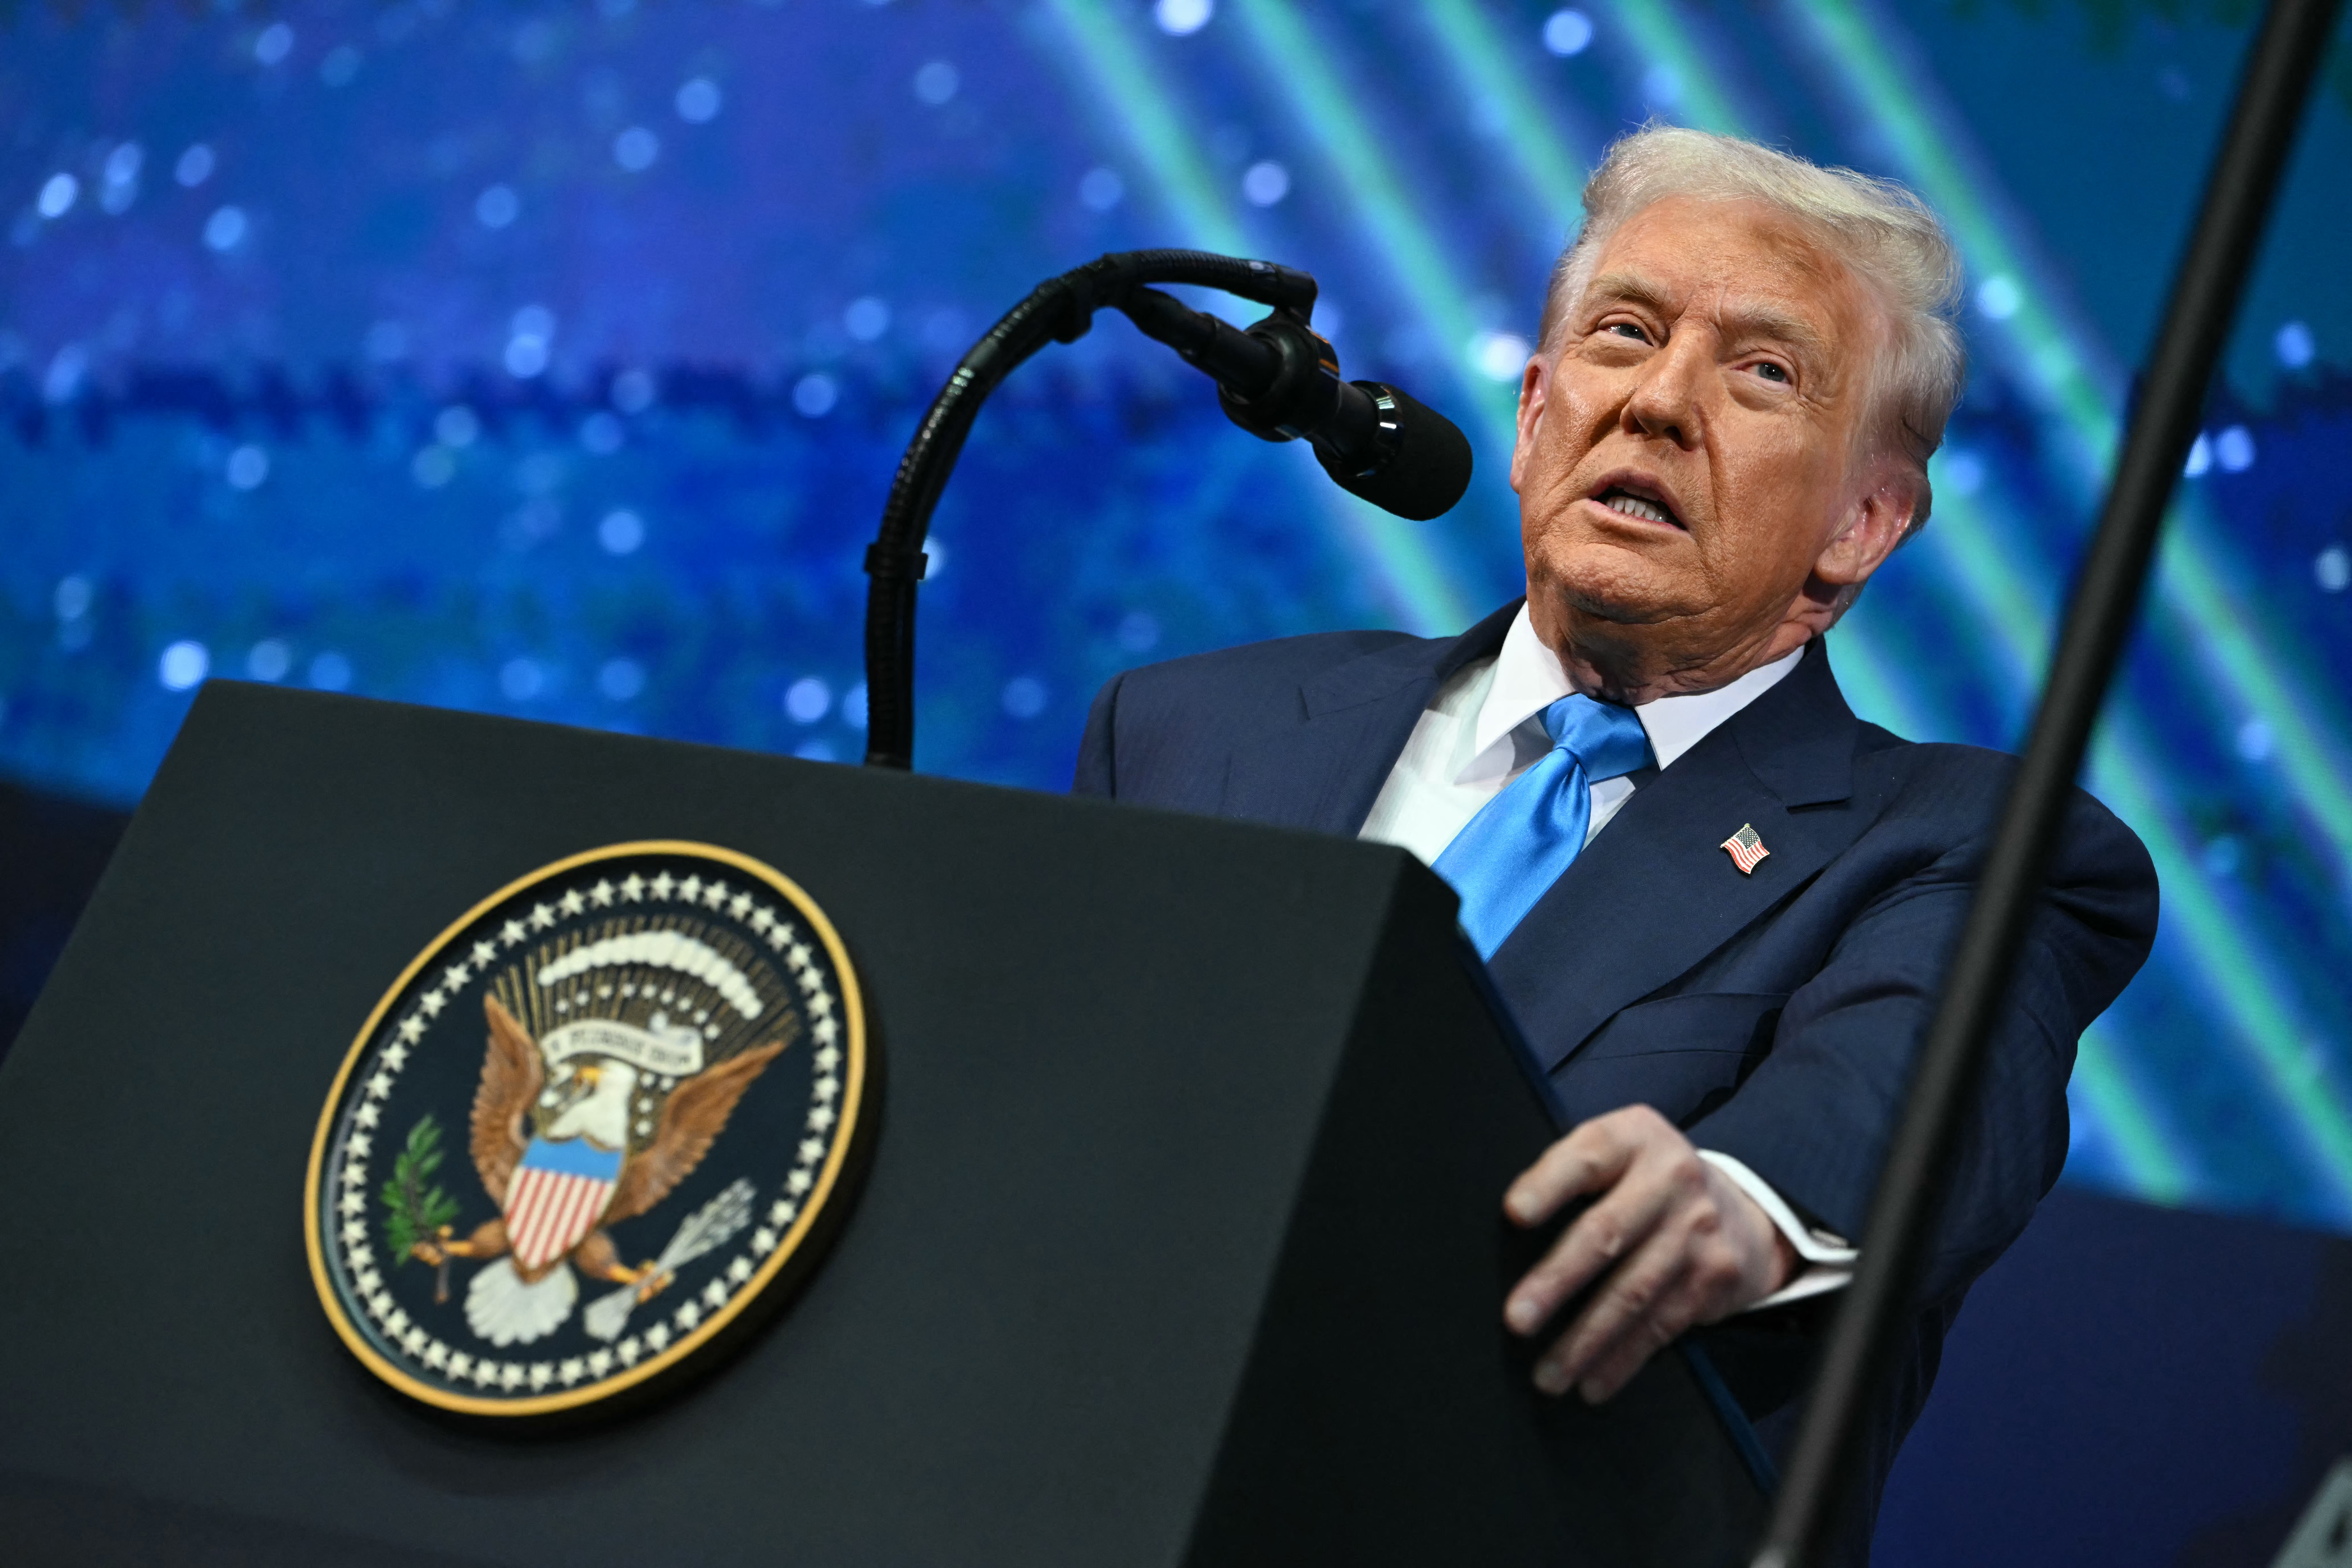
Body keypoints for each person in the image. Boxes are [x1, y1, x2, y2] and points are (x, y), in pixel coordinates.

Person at [1073, 125, 2158, 1551]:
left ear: (1863, 522)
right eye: (1625, 334)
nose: (1658, 402)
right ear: (1536, 418)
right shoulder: (1189, 728)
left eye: (1762, 371)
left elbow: (1924, 1078)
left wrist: (1740, 1196)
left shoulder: (1963, 844)